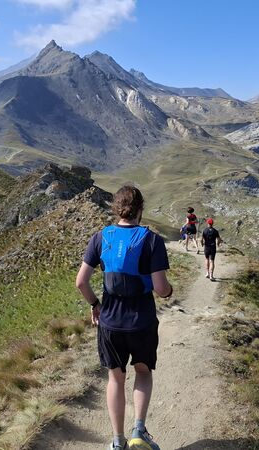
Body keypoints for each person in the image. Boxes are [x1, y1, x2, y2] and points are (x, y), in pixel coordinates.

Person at [76, 185, 172, 450]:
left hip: (110, 322)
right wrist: (169, 291)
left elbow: (81, 282)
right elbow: (161, 288)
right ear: (140, 209)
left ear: (116, 209)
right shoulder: (152, 240)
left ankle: (118, 441)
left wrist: (95, 304)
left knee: (115, 379)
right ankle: (139, 431)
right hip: (142, 321)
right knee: (143, 372)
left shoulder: (100, 237)